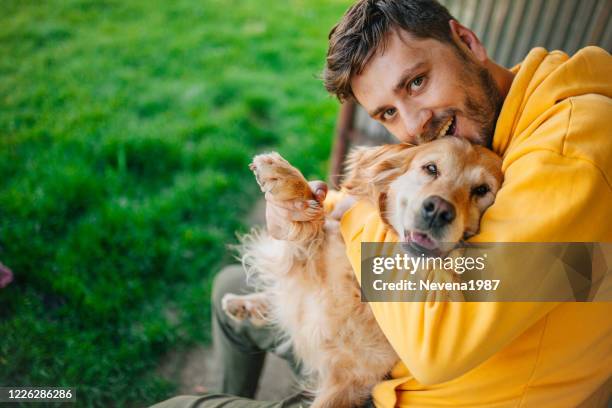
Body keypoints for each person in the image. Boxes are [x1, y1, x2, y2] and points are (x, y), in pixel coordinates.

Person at [152, 0, 612, 407]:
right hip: (390, 357)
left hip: (421, 388)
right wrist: (311, 209)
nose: (415, 126)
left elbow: (439, 346)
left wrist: (349, 213)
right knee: (227, 285)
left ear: (467, 42)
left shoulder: (568, 146)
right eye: (388, 113)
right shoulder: (506, 127)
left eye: (416, 82)